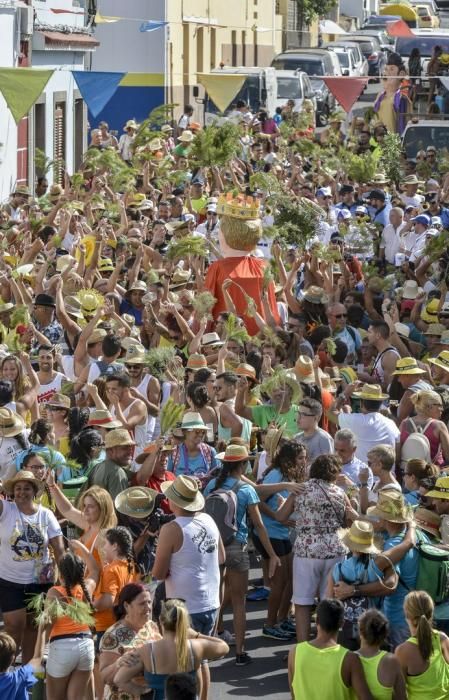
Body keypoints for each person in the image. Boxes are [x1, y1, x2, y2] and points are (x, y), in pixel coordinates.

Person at [204, 444, 281, 665]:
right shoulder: (247, 490)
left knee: (215, 598)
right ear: (244, 465)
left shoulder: (211, 485)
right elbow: (259, 525)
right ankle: (239, 652)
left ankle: (212, 644)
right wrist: (272, 554)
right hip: (237, 547)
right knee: (239, 602)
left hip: (214, 547)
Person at [152, 474, 223, 698]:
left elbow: (158, 573)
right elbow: (220, 556)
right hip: (210, 601)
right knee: (200, 659)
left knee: (185, 667)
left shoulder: (172, 529)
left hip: (184, 608)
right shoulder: (208, 520)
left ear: (173, 502)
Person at [275, 454, 356, 642]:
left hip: (307, 551)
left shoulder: (301, 490)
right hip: (335, 550)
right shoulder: (339, 492)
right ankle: (327, 644)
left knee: (302, 603)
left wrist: (301, 523)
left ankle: (303, 648)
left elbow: (280, 517)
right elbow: (346, 521)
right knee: (328, 602)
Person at [0, 470, 64, 662]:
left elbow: (59, 549)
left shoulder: (46, 515)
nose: (21, 492)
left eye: (27, 488)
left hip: (40, 582)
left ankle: (27, 677)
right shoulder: (6, 509)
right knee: (14, 626)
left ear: (35, 491)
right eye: (18, 488)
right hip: (10, 581)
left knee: (34, 628)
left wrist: (66, 579)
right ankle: (5, 670)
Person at [113, 599, 229, 700]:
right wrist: (196, 635)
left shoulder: (146, 651)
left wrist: (142, 691)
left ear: (160, 620)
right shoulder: (197, 646)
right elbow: (224, 646)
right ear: (185, 622)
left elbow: (119, 679)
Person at [288, 599, 372, 700]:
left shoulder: (295, 652)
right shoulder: (350, 659)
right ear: (342, 623)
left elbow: (294, 694)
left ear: (316, 620)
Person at [44, 550, 98, 700]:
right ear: (82, 573)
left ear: (60, 574)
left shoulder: (54, 593)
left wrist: (39, 652)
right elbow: (95, 569)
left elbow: (48, 623)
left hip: (62, 648)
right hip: (86, 646)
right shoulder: (87, 588)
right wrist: (81, 547)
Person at [99, 583, 161, 700]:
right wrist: (118, 663)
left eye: (149, 602)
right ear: (127, 606)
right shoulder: (112, 635)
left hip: (153, 694)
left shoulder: (151, 626)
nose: (148, 607)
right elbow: (104, 676)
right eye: (142, 603)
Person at [47, 472, 117, 565]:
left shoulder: (104, 537)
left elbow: (105, 571)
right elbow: (68, 510)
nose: (85, 510)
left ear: (103, 509)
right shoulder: (89, 524)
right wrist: (52, 485)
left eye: (90, 506)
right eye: (84, 505)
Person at [395, 590, 449, 698]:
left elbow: (399, 694)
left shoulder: (402, 651)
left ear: (407, 616)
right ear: (431, 613)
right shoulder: (443, 639)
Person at [358, 609, 407, 700]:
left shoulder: (348, 659)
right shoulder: (391, 661)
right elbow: (402, 697)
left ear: (360, 632)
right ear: (384, 634)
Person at [86, 428, 133, 499]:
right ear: (110, 451)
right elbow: (120, 508)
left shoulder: (97, 467)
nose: (130, 452)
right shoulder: (117, 472)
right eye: (125, 448)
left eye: (131, 448)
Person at [294, 397, 334, 462]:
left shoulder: (324, 439)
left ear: (316, 418)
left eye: (303, 414)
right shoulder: (296, 438)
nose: (298, 418)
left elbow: (330, 466)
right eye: (298, 413)